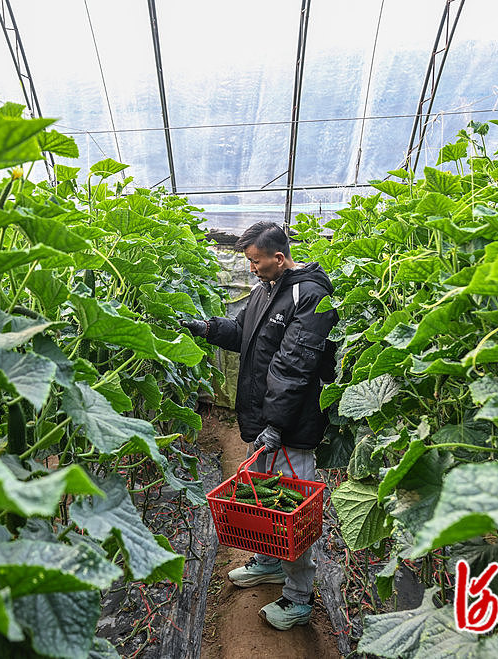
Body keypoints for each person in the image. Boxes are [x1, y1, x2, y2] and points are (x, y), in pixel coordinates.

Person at [181, 221, 338, 630]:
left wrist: (276, 425)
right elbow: (244, 334)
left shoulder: (310, 295)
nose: (251, 268)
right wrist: (208, 328)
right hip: (266, 420)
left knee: (292, 512)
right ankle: (268, 561)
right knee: (261, 498)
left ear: (279, 258)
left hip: (291, 426)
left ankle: (299, 597)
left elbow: (295, 366)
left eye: (255, 261)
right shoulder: (265, 289)